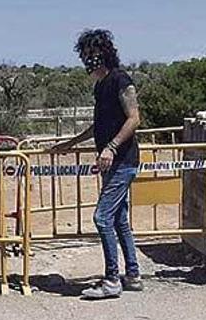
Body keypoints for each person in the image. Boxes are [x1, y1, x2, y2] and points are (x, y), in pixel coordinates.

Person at [51, 29, 142, 299]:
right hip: (112, 161)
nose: (87, 59)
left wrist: (111, 148)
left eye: (91, 54)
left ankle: (112, 279)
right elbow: (99, 124)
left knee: (102, 217)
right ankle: (133, 275)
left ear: (103, 53)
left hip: (123, 160)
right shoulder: (101, 86)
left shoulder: (120, 80)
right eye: (85, 55)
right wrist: (71, 143)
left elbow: (134, 118)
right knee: (119, 219)